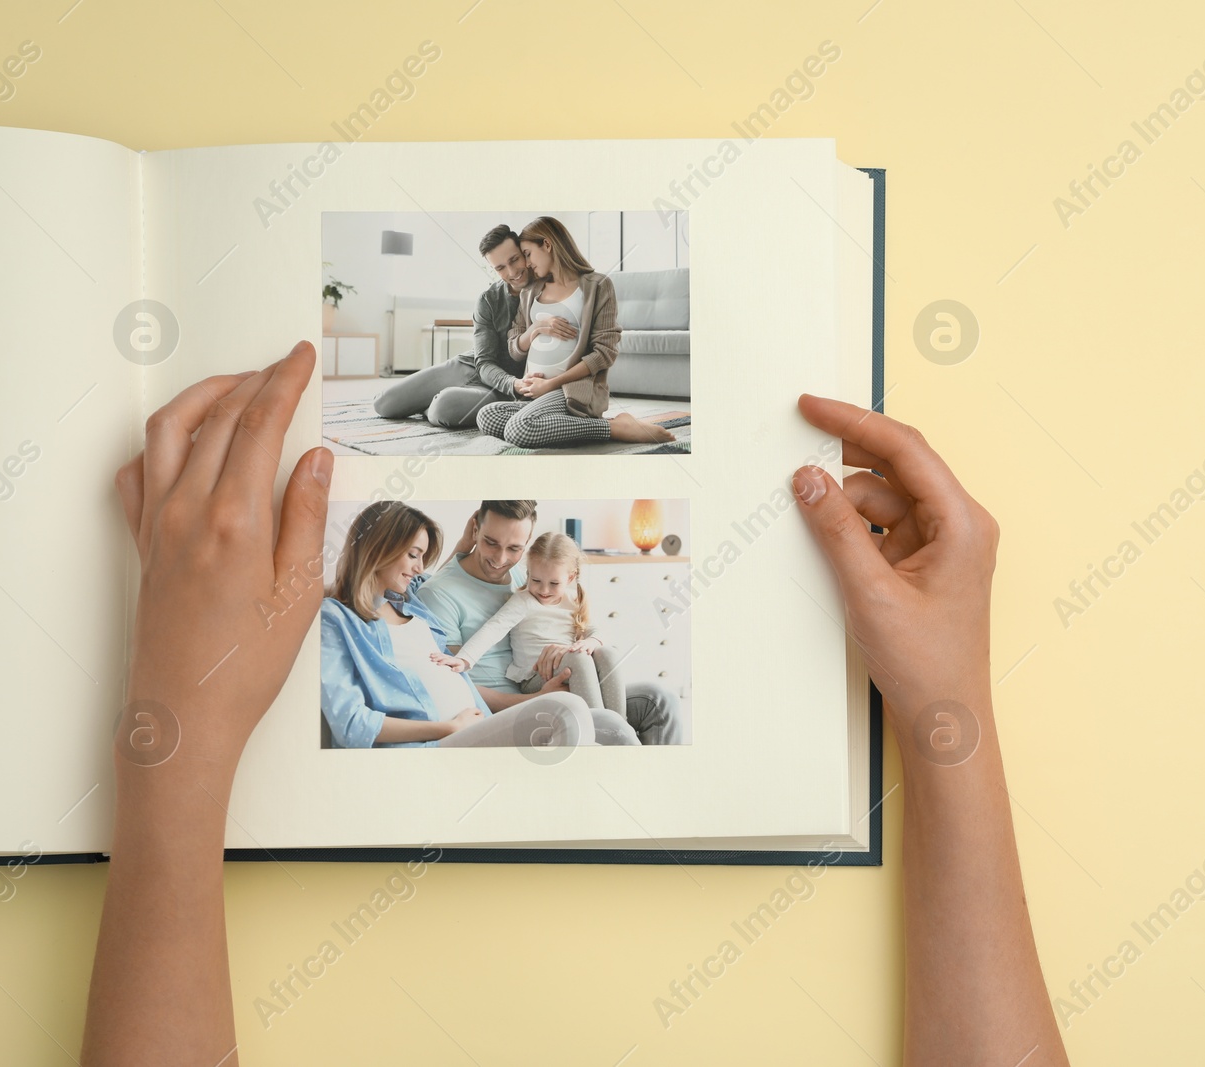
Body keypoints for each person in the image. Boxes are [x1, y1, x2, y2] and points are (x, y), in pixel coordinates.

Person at [83, 340, 1069, 1066]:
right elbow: (412, 694)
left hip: (481, 708)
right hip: (461, 729)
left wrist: (177, 730)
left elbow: (464, 663)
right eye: (421, 557)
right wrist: (949, 714)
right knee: (572, 716)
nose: (437, 569)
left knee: (624, 699)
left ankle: (625, 752)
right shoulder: (382, 615)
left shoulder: (425, 615)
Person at [319, 499, 614, 748]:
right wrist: (446, 728)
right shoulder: (337, 619)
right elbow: (352, 725)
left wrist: (466, 545)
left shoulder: (409, 601)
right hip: (441, 737)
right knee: (573, 711)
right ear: (377, 549)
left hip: (481, 721)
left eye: (514, 548)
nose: (420, 567)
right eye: (413, 555)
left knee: (640, 707)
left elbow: (433, 581)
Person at [418, 499, 680, 746]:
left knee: (659, 700)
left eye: (514, 548)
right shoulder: (440, 594)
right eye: (490, 543)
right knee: (613, 729)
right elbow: (454, 682)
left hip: (562, 681)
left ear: (527, 544)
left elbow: (567, 619)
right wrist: (536, 698)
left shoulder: (529, 572)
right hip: (508, 708)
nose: (500, 560)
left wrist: (573, 647)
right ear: (475, 529)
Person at [479, 215, 676, 448]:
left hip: (570, 391)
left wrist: (551, 384)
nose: (527, 263)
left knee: (519, 429)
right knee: (486, 416)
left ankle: (614, 428)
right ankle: (554, 421)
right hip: (534, 393)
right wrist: (534, 330)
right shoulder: (530, 291)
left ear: (548, 245)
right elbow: (514, 346)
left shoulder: (597, 286)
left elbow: (604, 354)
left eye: (527, 254)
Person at [433, 531, 627, 715]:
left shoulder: (572, 600)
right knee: (579, 658)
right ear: (528, 573)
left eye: (554, 583)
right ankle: (599, 728)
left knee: (608, 652)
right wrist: (464, 659)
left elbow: (595, 631)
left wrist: (591, 642)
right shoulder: (524, 601)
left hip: (567, 667)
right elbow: (493, 628)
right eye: (536, 580)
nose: (543, 590)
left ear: (570, 577)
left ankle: (619, 724)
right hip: (534, 677)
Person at [370, 223, 536, 428]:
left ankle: (434, 402)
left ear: (524, 252)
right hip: (469, 366)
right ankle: (434, 398)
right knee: (383, 404)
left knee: (443, 409)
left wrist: (514, 385)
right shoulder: (488, 299)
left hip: (501, 390)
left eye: (514, 259)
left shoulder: (549, 291)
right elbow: (484, 363)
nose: (512, 272)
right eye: (500, 268)